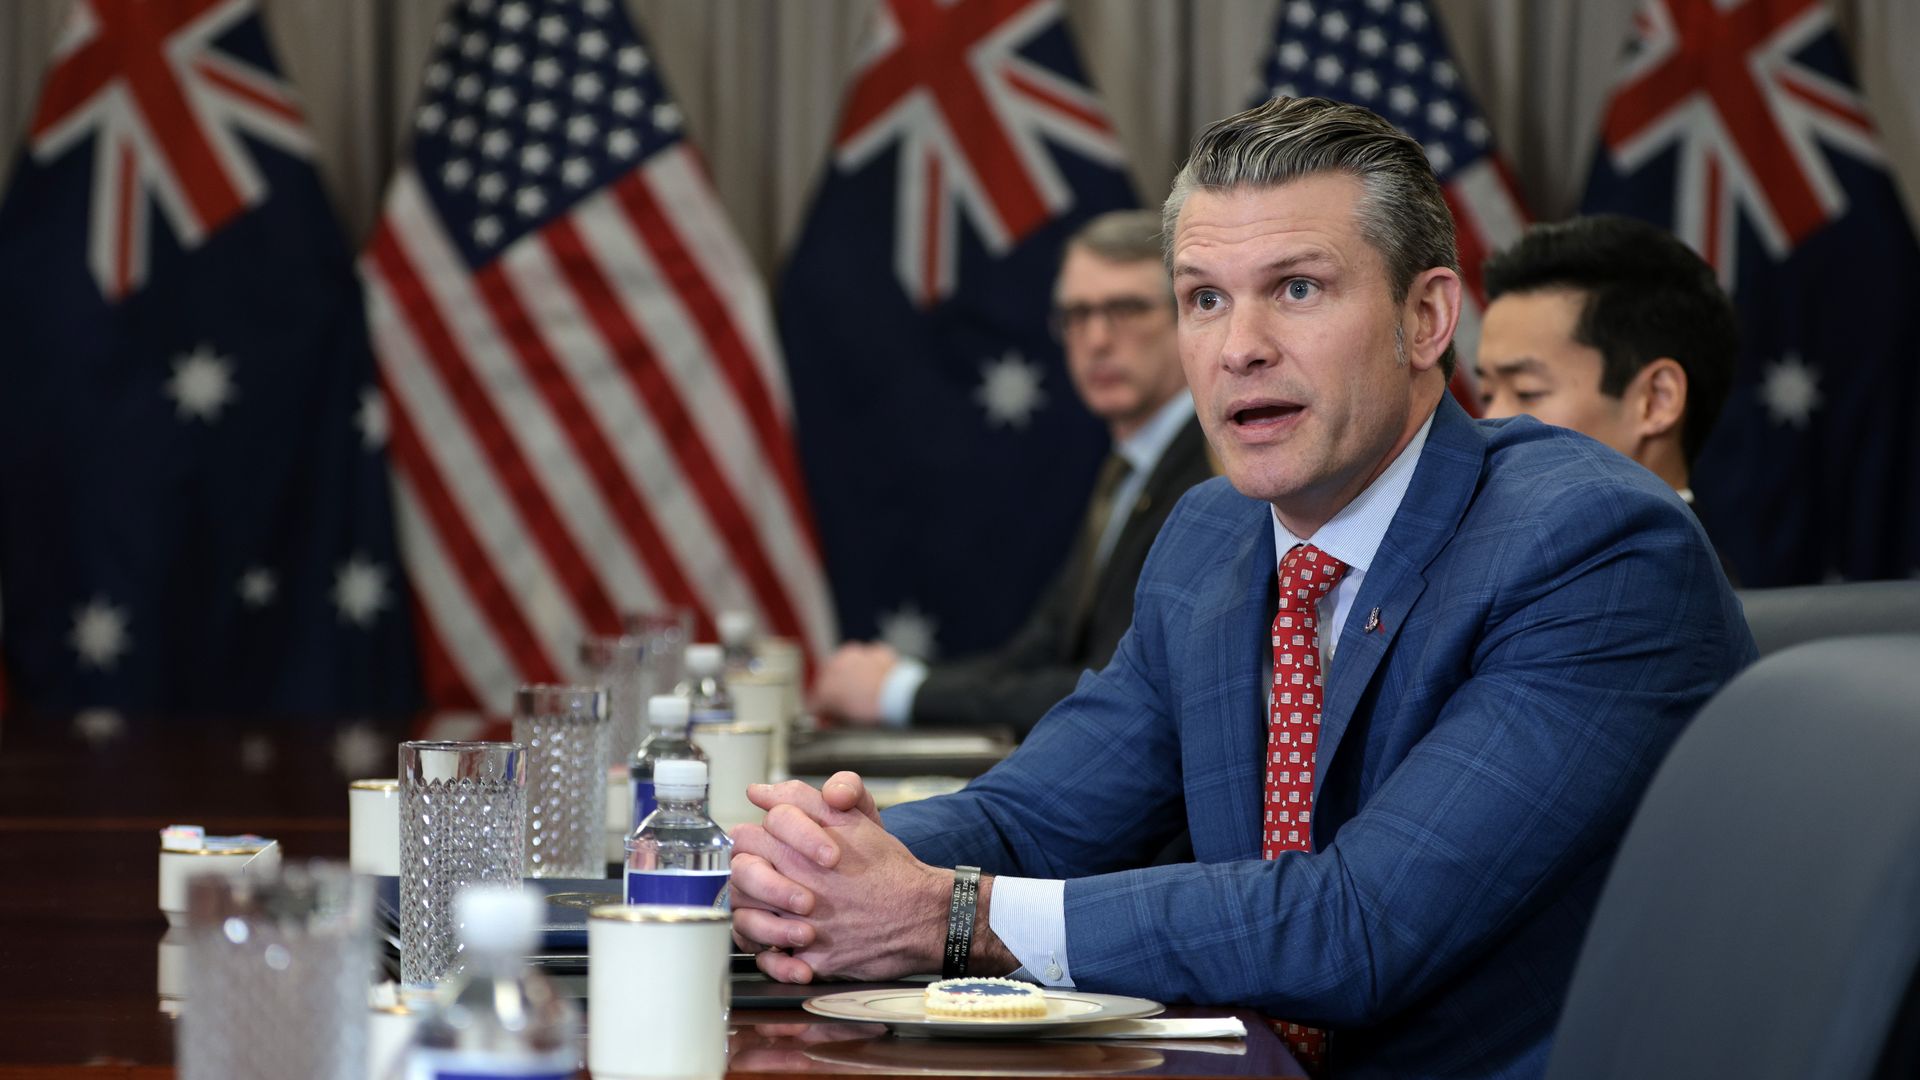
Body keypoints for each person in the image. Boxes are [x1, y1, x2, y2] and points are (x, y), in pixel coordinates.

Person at [731, 97, 1754, 1078]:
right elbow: (1033, 820)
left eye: (1298, 288)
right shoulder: (1213, 536)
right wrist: (816, 866)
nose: (1240, 346)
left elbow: (1361, 926)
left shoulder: (1592, 545)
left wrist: (949, 916)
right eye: (1204, 298)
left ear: (1430, 316)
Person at [811, 210, 1212, 736]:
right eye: (1076, 314)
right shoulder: (1127, 469)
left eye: (1127, 309)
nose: (1097, 340)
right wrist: (902, 679)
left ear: (1187, 314)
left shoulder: (1210, 473)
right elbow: (1038, 653)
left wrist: (899, 692)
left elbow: (1121, 688)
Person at [1474, 215, 1737, 511]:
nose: (1489, 424)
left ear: (1657, 400)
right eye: (1486, 395)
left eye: (1527, 392)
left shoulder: (1683, 557)